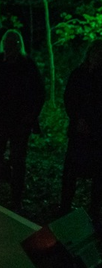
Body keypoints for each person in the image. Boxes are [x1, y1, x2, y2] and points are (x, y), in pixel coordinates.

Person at [0, 29, 45, 210]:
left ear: (18, 44)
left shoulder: (27, 64)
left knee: (18, 160)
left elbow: (39, 92)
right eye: (7, 42)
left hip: (20, 121)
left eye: (13, 43)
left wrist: (31, 115)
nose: (10, 46)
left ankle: (16, 198)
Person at [60, 40, 102, 224]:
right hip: (78, 131)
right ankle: (65, 206)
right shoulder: (79, 73)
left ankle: (95, 211)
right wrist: (77, 119)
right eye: (95, 53)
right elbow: (69, 97)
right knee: (71, 171)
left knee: (98, 174)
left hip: (98, 133)